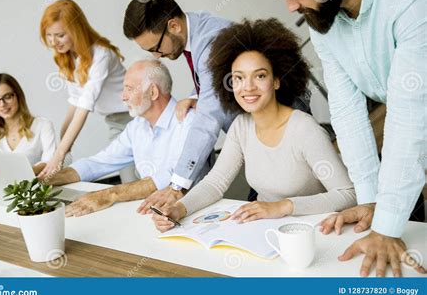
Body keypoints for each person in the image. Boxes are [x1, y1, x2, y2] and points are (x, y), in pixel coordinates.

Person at [248, 0, 426, 276]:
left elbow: (409, 116)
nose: (291, 7)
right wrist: (371, 201)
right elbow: (347, 111)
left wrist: (386, 228)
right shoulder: (323, 16)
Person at [152, 19, 356, 232]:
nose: (247, 87)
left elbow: (347, 194)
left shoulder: (305, 129)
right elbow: (215, 183)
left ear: (277, 80)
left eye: (259, 76)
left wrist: (283, 206)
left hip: (312, 231)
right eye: (238, 78)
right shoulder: (241, 126)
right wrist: (178, 209)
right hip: (265, 230)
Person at [123, 0, 311, 213]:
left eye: (155, 48)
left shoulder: (212, 41)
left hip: (282, 144)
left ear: (174, 26)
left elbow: (208, 119)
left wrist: (177, 185)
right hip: (258, 146)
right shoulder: (198, 25)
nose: (157, 56)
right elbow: (212, 77)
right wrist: (197, 96)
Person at [37, 59, 210, 217]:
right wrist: (46, 178)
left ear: (153, 92)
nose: (123, 96)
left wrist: (108, 195)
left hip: (192, 214)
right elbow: (98, 163)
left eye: (129, 88)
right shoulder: (137, 126)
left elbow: (170, 177)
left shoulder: (188, 121)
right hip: (153, 213)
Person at [39, 0, 135, 182]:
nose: (53, 42)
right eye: (49, 35)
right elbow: (75, 101)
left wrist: (59, 155)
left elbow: (85, 105)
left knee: (143, 179)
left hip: (136, 117)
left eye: (60, 35)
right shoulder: (68, 57)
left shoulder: (101, 54)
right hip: (116, 123)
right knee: (129, 180)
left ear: (76, 30)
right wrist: (63, 147)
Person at [0, 73, 56, 166]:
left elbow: (51, 163)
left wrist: (29, 172)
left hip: (36, 180)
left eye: (7, 97)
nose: (2, 104)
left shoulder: (43, 125)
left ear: (18, 96)